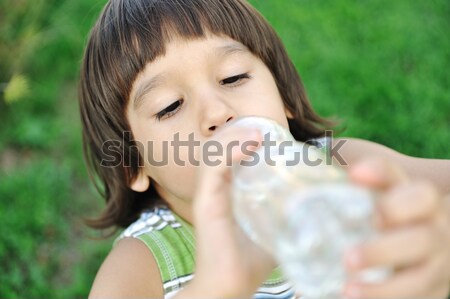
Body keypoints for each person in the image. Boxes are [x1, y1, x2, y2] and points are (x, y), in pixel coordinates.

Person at [79, 0, 450, 298]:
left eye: (233, 77)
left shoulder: (338, 168)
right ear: (133, 166)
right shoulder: (143, 264)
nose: (217, 113)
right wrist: (217, 290)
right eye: (169, 106)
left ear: (284, 99)